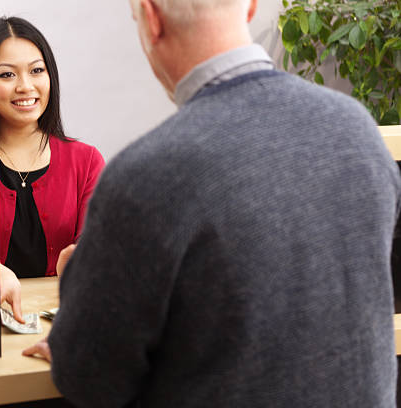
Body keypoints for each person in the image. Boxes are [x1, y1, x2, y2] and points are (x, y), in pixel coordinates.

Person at [23, 0, 401, 406]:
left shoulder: (148, 175)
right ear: (252, 7)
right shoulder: (357, 129)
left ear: (151, 19)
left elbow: (90, 377)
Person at [0, 17, 105, 322]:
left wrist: (84, 259)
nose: (25, 86)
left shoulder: (86, 160)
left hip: (61, 323)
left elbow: (101, 252)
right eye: (7, 74)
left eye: (36, 70)